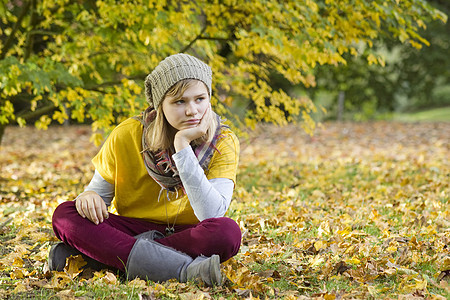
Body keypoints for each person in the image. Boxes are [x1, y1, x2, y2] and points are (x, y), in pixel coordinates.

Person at [49, 53, 241, 286]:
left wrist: (182, 147)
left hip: (189, 233)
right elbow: (97, 195)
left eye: (200, 99)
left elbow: (210, 215)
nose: (192, 111)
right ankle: (184, 270)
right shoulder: (127, 134)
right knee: (65, 215)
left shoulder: (223, 141)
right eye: (179, 102)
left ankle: (105, 260)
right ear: (160, 105)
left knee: (226, 232)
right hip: (131, 228)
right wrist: (89, 196)